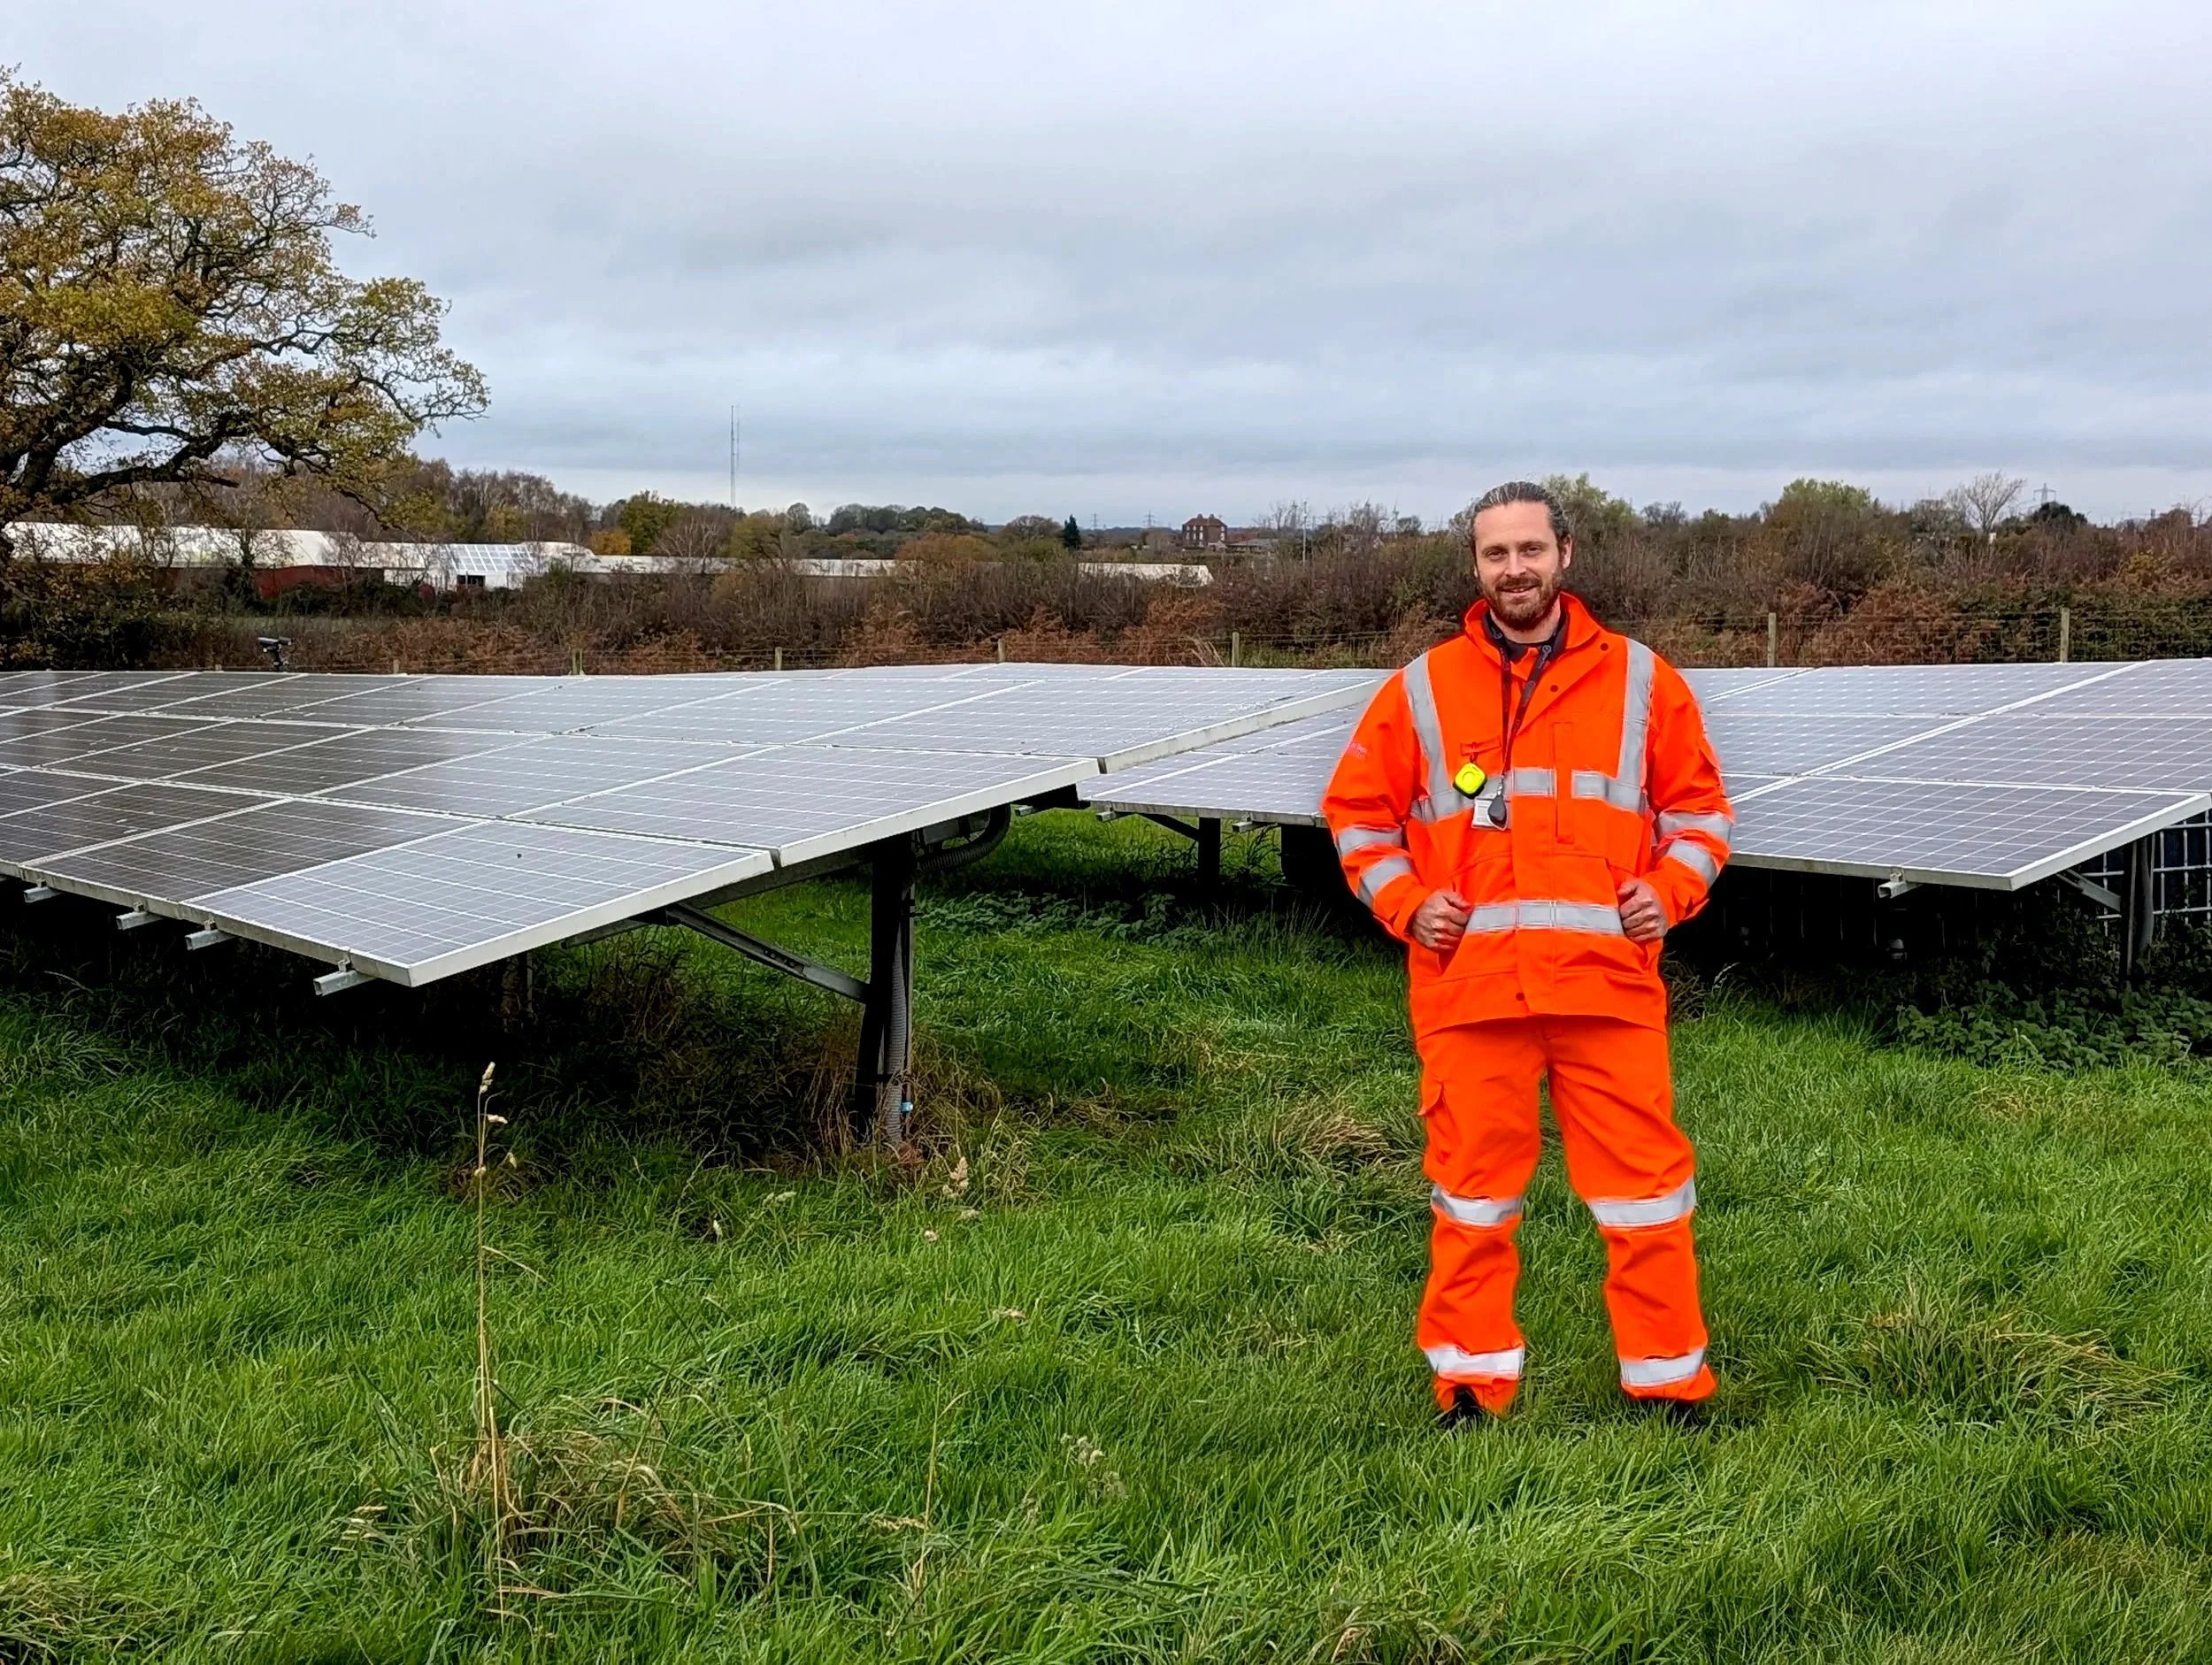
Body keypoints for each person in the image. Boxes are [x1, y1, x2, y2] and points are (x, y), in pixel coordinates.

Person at [1321, 480, 1733, 1425]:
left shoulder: (1642, 679)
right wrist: (1406, 904)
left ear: (1565, 555)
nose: (1514, 569)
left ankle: (1668, 1385)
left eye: (1528, 551)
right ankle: (1469, 1384)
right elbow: (1355, 814)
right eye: (1494, 554)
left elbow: (1702, 815)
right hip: (1470, 991)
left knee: (1647, 1201)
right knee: (1472, 1201)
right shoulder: (1422, 687)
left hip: (1606, 992)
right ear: (1476, 566)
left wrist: (1665, 893)